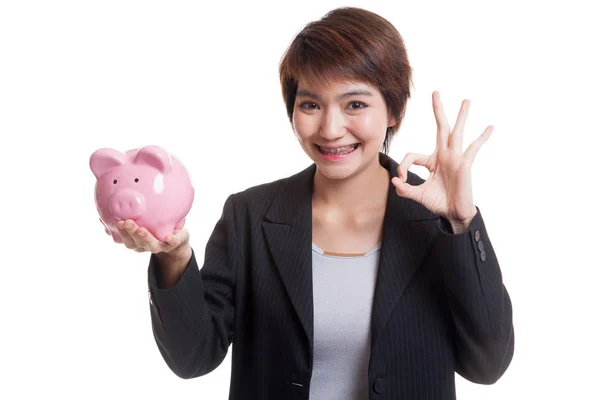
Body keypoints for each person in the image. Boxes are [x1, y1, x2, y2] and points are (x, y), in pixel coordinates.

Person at [104, 6, 514, 399]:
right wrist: (174, 257)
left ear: (394, 110)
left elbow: (488, 364)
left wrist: (461, 222)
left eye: (355, 104)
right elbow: (193, 357)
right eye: (311, 105)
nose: (331, 129)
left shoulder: (435, 221)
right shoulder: (249, 215)